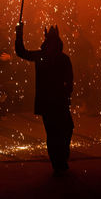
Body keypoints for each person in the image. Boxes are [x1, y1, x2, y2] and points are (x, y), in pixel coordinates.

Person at [15, 22, 74, 174]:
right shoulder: (62, 58)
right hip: (57, 102)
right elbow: (70, 82)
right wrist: (67, 95)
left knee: (55, 132)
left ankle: (58, 161)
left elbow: (21, 52)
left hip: (50, 103)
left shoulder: (44, 56)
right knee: (63, 130)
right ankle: (59, 160)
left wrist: (19, 33)